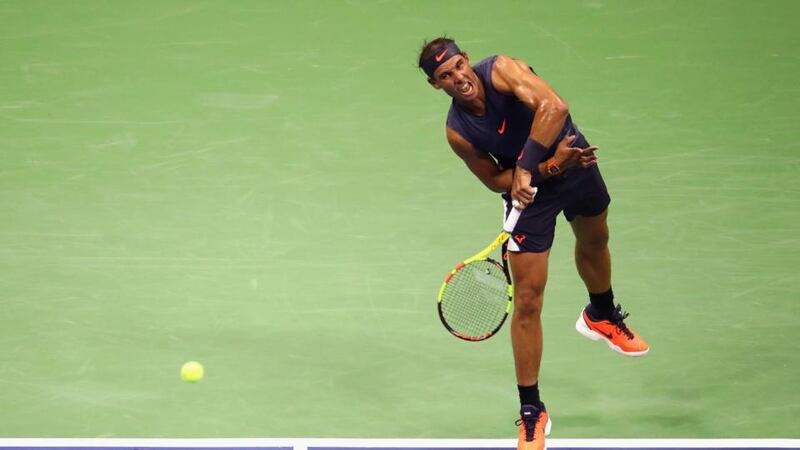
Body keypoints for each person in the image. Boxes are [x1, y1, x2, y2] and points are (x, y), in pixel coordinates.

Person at [418, 37, 649, 450]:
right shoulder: (458, 132)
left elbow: (554, 107)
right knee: (527, 300)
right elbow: (494, 179)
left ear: (467, 59)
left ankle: (600, 314)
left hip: (575, 163)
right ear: (436, 85)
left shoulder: (502, 70)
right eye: (445, 76)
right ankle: (531, 410)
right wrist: (547, 166)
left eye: (458, 65)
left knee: (596, 239)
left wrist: (526, 167)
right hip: (535, 191)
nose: (458, 77)